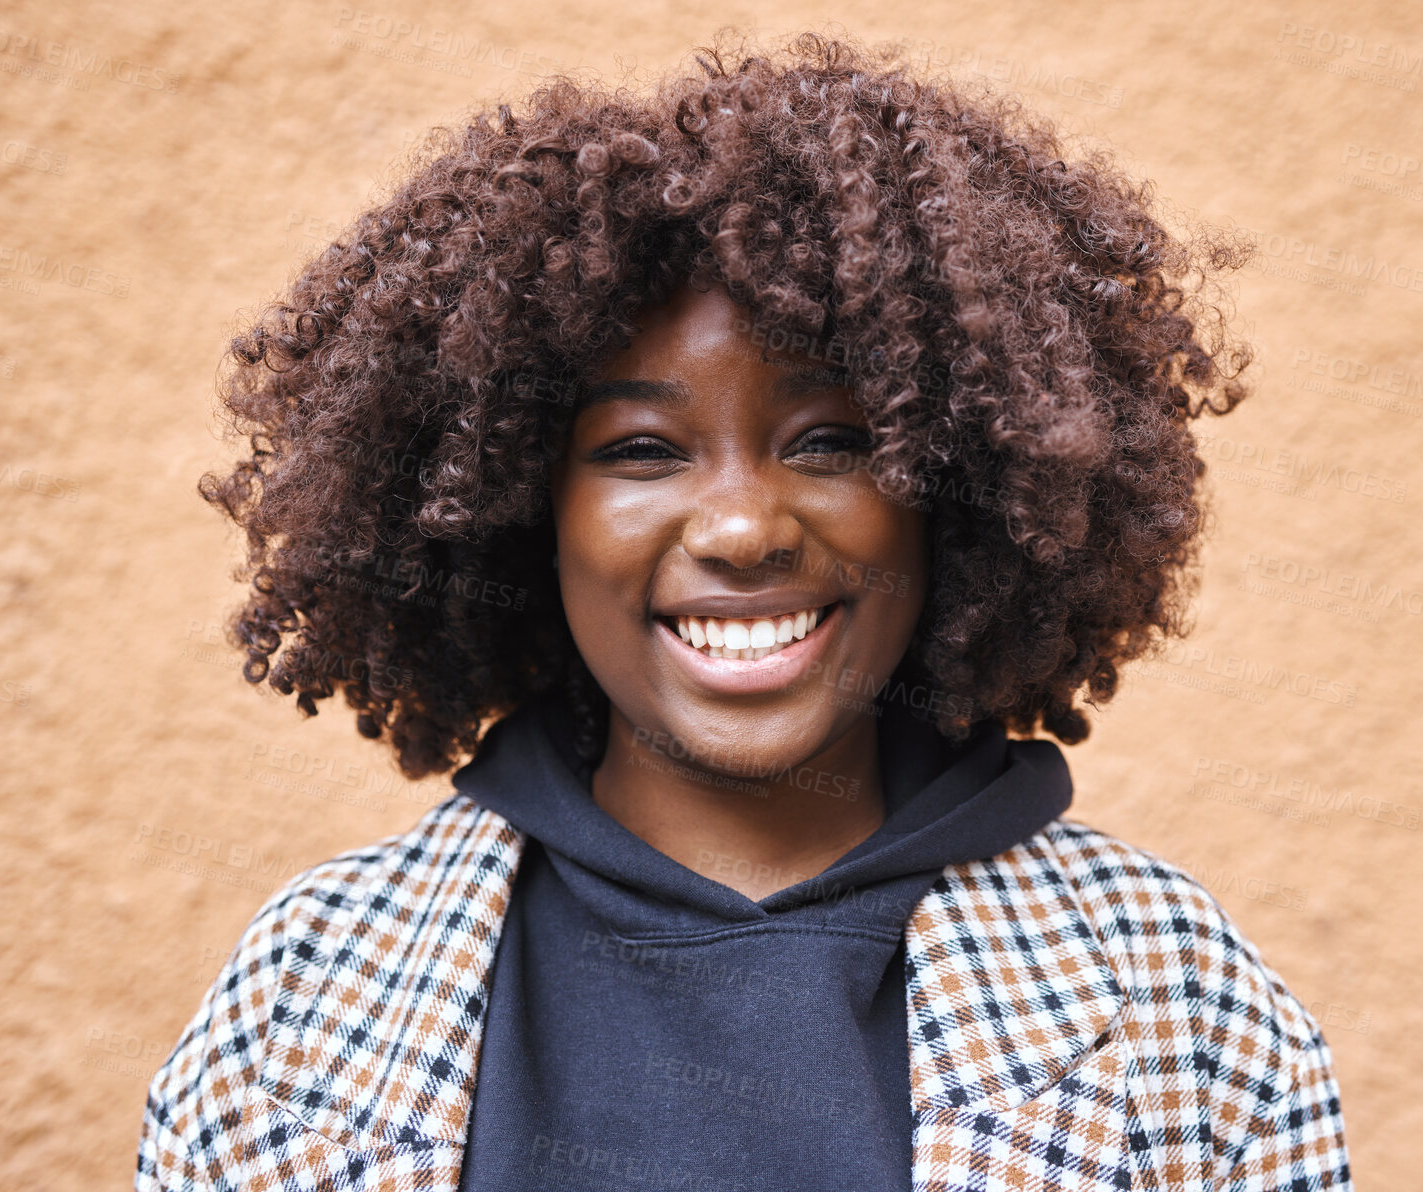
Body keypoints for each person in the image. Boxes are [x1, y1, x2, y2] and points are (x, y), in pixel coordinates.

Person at [136, 29, 1352, 1192]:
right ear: (514, 505)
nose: (740, 528)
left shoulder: (1176, 1004)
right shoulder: (302, 1000)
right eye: (642, 449)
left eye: (829, 441)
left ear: (954, 490)